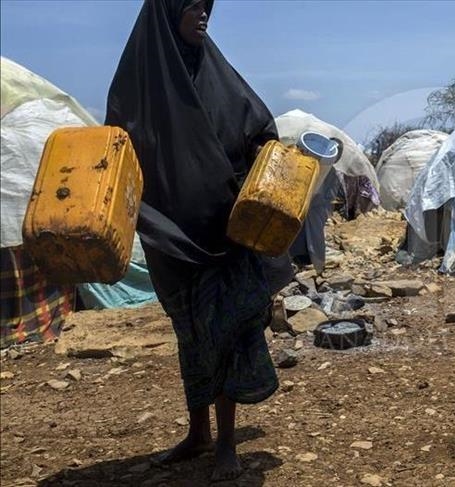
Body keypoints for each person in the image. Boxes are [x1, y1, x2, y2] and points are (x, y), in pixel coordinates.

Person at [106, 0, 280, 480]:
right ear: (166, 14)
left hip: (227, 229)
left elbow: (261, 129)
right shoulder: (137, 84)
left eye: (207, 7)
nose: (203, 15)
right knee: (192, 335)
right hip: (170, 234)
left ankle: (227, 442)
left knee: (226, 330)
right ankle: (198, 432)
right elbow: (116, 153)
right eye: (192, 7)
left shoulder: (217, 71)